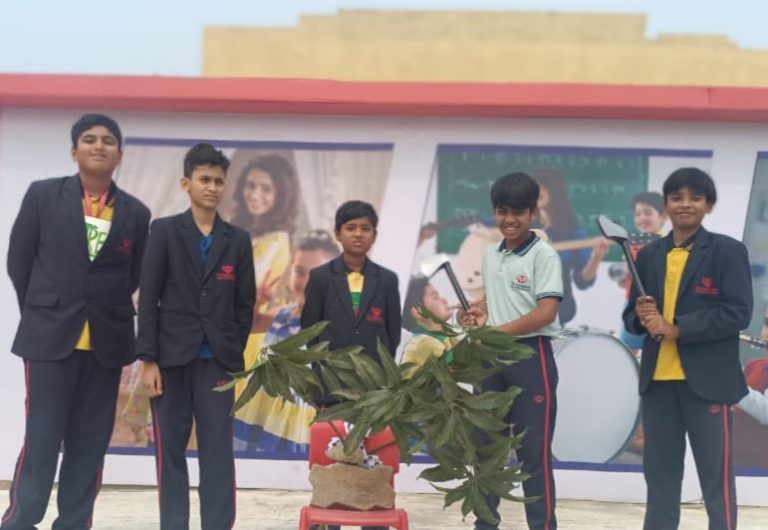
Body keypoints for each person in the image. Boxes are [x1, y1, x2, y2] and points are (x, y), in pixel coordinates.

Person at [2, 114, 151, 530]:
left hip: (107, 344)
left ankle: (74, 522)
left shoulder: (136, 213)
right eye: (89, 139)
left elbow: (133, 274)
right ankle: (20, 520)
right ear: (74, 151)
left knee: (89, 444)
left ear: (119, 155)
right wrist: (45, 309)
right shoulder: (43, 196)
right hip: (49, 340)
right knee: (42, 438)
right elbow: (19, 261)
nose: (99, 146)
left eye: (108, 140)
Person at [623, 167, 752, 530]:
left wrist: (677, 328)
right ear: (666, 204)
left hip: (708, 383)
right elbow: (632, 317)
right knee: (660, 479)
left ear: (708, 205)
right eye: (676, 197)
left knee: (716, 479)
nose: (685, 204)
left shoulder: (727, 251)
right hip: (658, 384)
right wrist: (640, 317)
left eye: (695, 198)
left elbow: (738, 313)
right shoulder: (649, 255)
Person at [137, 143, 255, 530]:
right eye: (204, 179)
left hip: (217, 365)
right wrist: (149, 360)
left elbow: (245, 304)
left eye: (219, 181)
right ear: (186, 183)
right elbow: (149, 297)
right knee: (170, 452)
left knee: (217, 452)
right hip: (170, 361)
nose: (212, 187)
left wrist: (230, 352)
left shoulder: (237, 239)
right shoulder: (165, 231)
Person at [463, 172, 563, 530]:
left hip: (530, 358)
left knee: (533, 455)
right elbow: (495, 303)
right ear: (494, 211)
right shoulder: (491, 255)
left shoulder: (544, 255)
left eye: (518, 212)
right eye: (502, 211)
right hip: (490, 360)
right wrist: (479, 314)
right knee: (487, 451)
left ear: (532, 213)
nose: (509, 219)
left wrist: (495, 333)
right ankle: (485, 524)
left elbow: (545, 312)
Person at [301, 200, 401, 530]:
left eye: (365, 229)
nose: (358, 234)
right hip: (331, 389)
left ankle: (374, 520)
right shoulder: (320, 278)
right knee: (331, 457)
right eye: (351, 228)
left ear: (375, 235)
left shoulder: (386, 280)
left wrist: (378, 377)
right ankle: (329, 519)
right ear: (338, 233)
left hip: (374, 390)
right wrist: (322, 381)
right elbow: (310, 334)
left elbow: (392, 335)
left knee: (373, 455)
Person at [233, 229, 340, 453]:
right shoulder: (279, 316)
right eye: (299, 272)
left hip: (289, 431)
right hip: (253, 417)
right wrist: (254, 303)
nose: (305, 283)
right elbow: (241, 330)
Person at [533, 169, 608, 325]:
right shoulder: (518, 224)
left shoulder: (572, 230)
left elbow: (582, 281)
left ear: (554, 191)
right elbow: (484, 227)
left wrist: (597, 257)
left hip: (556, 311)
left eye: (542, 186)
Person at [230, 153, 300, 314]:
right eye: (250, 185)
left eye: (266, 189)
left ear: (281, 196)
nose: (254, 195)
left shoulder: (277, 241)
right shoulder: (238, 230)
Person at [616, 192, 667, 350]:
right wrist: (623, 277)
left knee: (659, 348)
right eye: (638, 214)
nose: (642, 218)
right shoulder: (630, 244)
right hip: (634, 304)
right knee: (627, 349)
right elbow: (625, 280)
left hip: (661, 305)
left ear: (663, 216)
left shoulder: (670, 243)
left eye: (648, 213)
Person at [400, 276, 456, 371]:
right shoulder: (424, 343)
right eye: (435, 297)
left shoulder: (443, 336)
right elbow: (463, 367)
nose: (444, 300)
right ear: (418, 312)